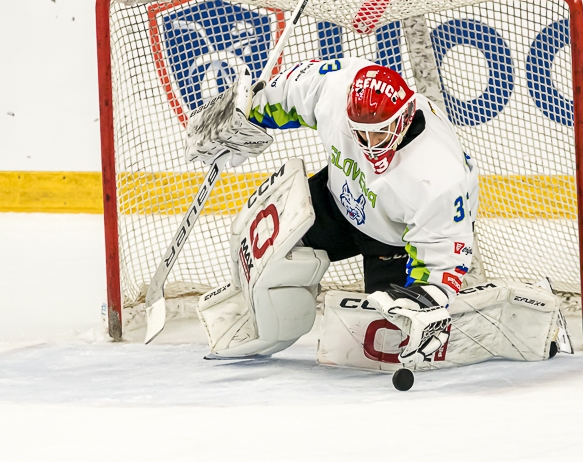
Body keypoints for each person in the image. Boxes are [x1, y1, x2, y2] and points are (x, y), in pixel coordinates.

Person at [185, 58, 478, 363]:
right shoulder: (338, 88)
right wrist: (245, 115)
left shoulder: (439, 177)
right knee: (263, 249)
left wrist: (428, 297)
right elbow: (286, 93)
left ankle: (459, 305)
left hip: (393, 243)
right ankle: (257, 324)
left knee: (387, 341)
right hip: (338, 197)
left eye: (380, 132)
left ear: (404, 116)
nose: (370, 144)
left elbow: (443, 252)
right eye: (361, 133)